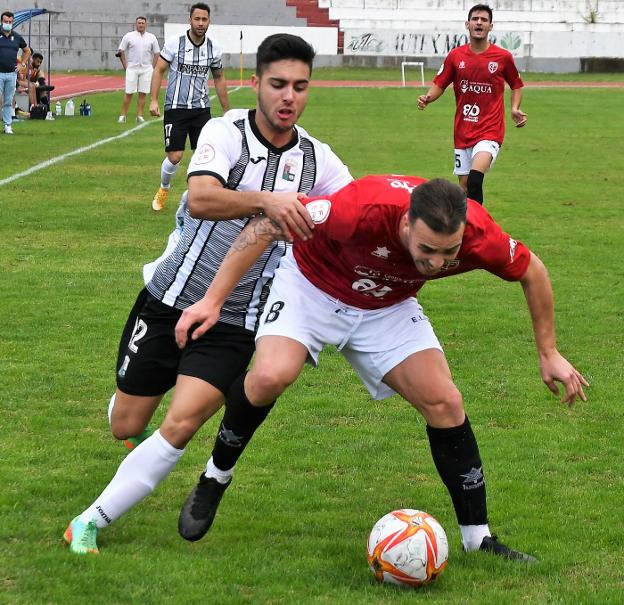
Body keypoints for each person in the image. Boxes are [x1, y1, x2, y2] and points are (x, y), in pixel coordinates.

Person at [172, 174, 588, 561]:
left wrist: (548, 352)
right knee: (269, 376)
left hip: (386, 304)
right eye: (426, 250)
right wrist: (212, 300)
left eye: (450, 252)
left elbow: (532, 270)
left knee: (444, 401)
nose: (438, 263)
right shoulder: (359, 209)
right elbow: (264, 227)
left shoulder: (479, 234)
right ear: (406, 223)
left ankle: (477, 537)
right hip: (311, 287)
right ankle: (216, 476)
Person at [63, 33, 353, 555]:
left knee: (183, 421)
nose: (289, 97)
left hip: (238, 321)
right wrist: (269, 201)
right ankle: (129, 404)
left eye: (301, 87)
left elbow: (354, 209)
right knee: (126, 424)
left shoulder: (318, 160)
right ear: (257, 83)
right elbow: (199, 197)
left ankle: (89, 521)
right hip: (170, 294)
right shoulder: (226, 131)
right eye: (279, 84)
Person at [417, 4, 527, 205]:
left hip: (489, 131)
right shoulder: (456, 56)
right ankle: (466, 230)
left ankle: (481, 230)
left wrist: (514, 108)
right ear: (467, 24)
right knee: (465, 190)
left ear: (490, 27)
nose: (479, 22)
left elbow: (516, 84)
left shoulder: (502, 57)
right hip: (463, 132)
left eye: (484, 20)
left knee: (476, 180)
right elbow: (440, 83)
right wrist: (428, 98)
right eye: (475, 19)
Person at [149, 2, 229, 212]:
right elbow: (159, 70)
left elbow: (219, 78)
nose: (201, 23)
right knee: (175, 156)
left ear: (209, 22)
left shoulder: (214, 48)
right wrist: (154, 100)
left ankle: (197, 198)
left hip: (201, 109)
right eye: (197, 19)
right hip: (175, 109)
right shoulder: (176, 43)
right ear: (190, 20)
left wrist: (227, 110)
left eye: (204, 19)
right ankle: (164, 188)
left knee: (204, 156)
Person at [117, 17, 160, 124]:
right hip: (132, 68)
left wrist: (152, 67)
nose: (141, 25)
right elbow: (121, 51)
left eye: (142, 23)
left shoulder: (151, 37)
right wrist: (125, 66)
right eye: (139, 23)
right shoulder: (129, 36)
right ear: (136, 24)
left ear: (146, 25)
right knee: (129, 92)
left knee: (143, 93)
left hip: (146, 69)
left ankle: (139, 116)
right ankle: (123, 115)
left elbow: (157, 53)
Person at [0, 11, 30, 134]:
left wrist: (22, 63)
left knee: (8, 100)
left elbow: (27, 51)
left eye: (10, 22)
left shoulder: (17, 37)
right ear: (1, 22)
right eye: (5, 21)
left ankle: (8, 125)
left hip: (12, 74)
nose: (8, 24)